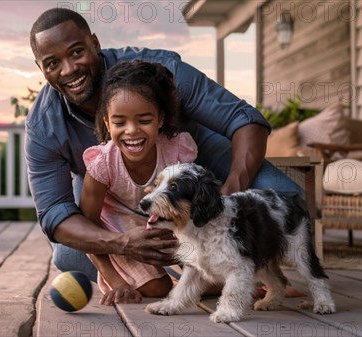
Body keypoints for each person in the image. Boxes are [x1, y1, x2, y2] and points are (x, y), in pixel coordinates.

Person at [25, 8, 302, 283]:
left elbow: (244, 120)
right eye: (52, 63)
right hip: (107, 191)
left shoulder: (161, 73)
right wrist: (120, 242)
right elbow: (54, 212)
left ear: (95, 44)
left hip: (196, 159)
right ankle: (176, 269)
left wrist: (226, 200)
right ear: (40, 68)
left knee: (285, 197)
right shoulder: (43, 126)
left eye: (76, 52)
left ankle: (221, 264)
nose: (69, 69)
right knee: (69, 256)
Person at [80, 60, 195, 305]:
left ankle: (188, 281)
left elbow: (192, 208)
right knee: (157, 288)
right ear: (107, 123)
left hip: (167, 238)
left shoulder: (175, 153)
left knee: (217, 278)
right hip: (122, 241)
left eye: (144, 120)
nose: (132, 131)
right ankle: (174, 284)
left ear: (160, 119)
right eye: (120, 123)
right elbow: (87, 230)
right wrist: (117, 283)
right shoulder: (103, 164)